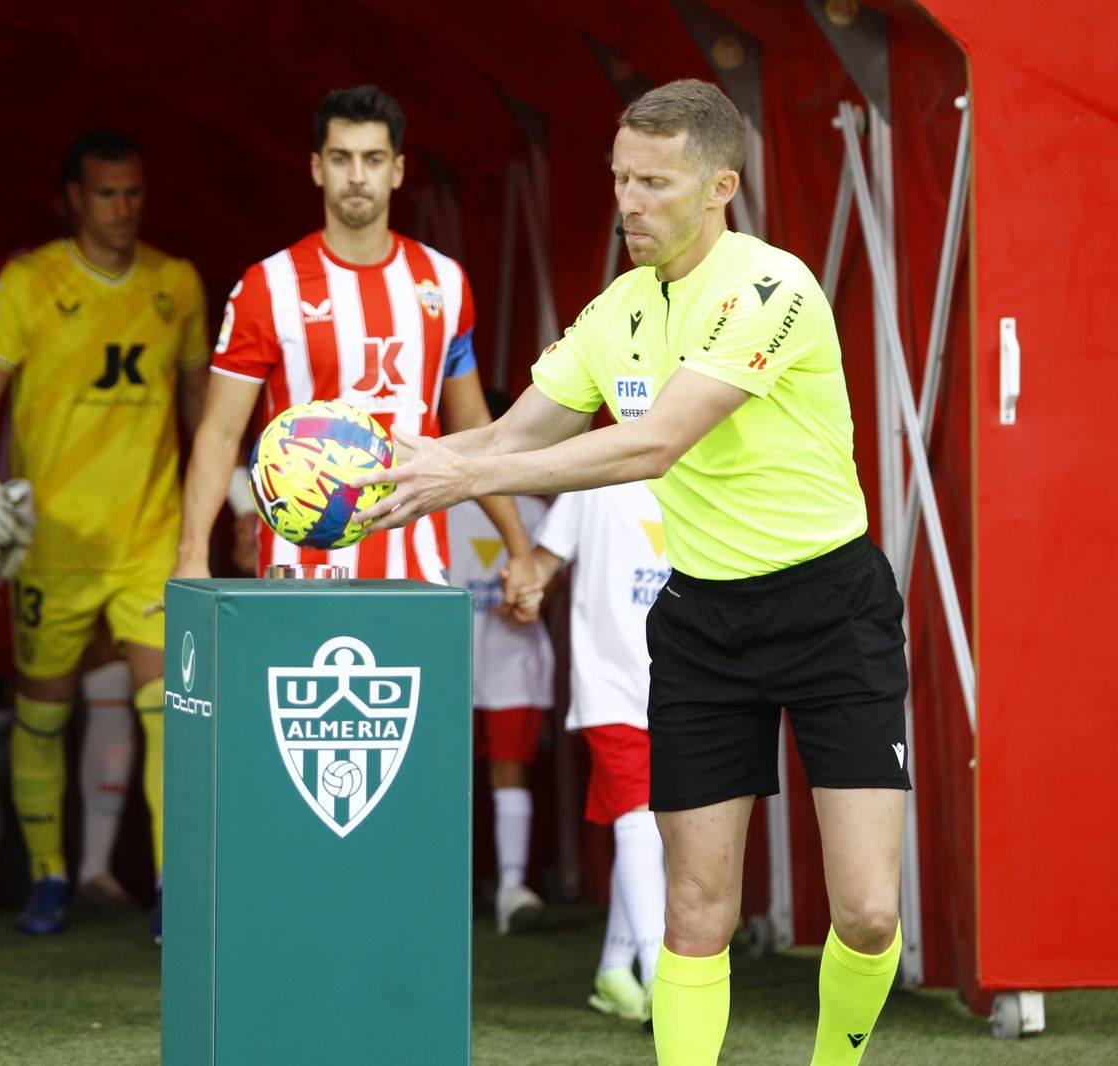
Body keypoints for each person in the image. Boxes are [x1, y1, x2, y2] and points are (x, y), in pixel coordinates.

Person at [359, 80, 910, 1066]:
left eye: (654, 183)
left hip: (830, 606)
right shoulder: (617, 307)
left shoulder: (769, 288)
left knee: (868, 911)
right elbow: (516, 432)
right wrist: (405, 463)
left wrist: (465, 475)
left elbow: (652, 442)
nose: (628, 202)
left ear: (720, 188)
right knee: (693, 910)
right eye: (620, 179)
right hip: (701, 620)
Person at [0, 129, 208, 941]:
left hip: (149, 539)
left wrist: (228, 497)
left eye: (134, 193)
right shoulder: (29, 282)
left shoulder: (177, 282)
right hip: (55, 544)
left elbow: (201, 404)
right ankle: (47, 876)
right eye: (106, 194)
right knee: (42, 715)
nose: (123, 209)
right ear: (73, 198)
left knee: (170, 712)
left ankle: (173, 887)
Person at [175, 84, 537, 590]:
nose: (358, 175)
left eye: (374, 158)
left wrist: (518, 549)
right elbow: (219, 434)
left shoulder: (444, 281)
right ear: (317, 167)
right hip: (300, 566)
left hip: (416, 565)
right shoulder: (268, 287)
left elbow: (473, 423)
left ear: (398, 170)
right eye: (342, 158)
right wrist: (192, 556)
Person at [524, 483, 669, 1023]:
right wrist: (523, 586)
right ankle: (661, 977)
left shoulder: (701, 472)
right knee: (641, 821)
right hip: (611, 687)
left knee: (659, 827)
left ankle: (613, 968)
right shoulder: (595, 478)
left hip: (684, 686)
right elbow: (542, 563)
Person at [445, 392, 554, 935]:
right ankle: (444, 888)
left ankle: (512, 888)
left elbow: (553, 581)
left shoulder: (531, 510)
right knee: (442, 774)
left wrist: (528, 599)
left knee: (510, 768)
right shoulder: (437, 506)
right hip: (446, 664)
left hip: (514, 662)